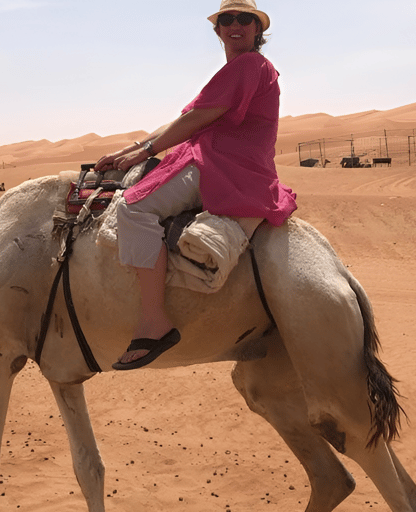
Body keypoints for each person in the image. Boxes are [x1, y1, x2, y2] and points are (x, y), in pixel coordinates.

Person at [94, 0, 297, 371]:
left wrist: (146, 154)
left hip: (224, 166)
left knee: (133, 208)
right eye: (227, 19)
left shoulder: (251, 64)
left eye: (244, 19)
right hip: (222, 160)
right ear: (217, 29)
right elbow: (188, 117)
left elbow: (200, 117)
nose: (236, 25)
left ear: (257, 30)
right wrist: (132, 148)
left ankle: (155, 321)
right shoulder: (237, 70)